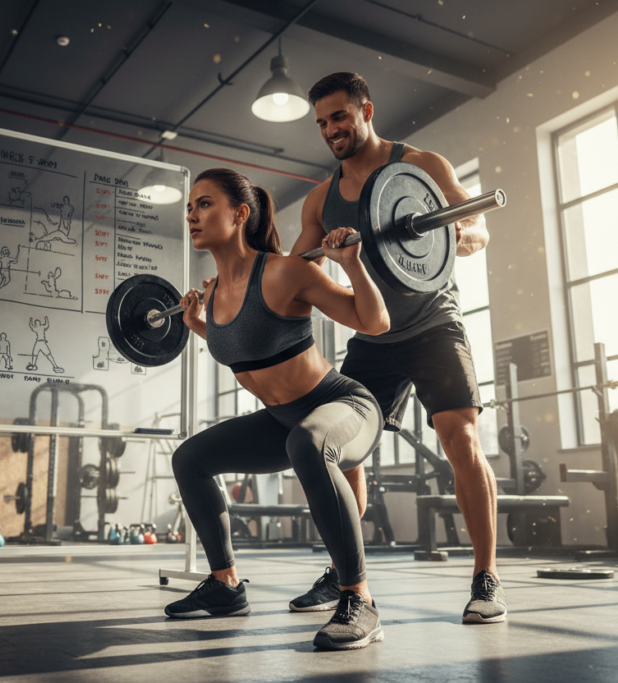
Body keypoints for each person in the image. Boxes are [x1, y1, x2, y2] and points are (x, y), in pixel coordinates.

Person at [288, 72, 504, 624]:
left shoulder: (422, 166)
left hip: (435, 323)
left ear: (366, 109)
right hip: (373, 336)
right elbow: (294, 270)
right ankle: (345, 572)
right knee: (342, 448)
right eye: (322, 123)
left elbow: (476, 226)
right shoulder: (321, 199)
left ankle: (486, 578)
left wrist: (459, 235)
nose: (331, 130)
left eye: (339, 116)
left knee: (460, 437)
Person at [165, 167, 389, 650]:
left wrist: (351, 264)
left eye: (204, 204)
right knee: (190, 458)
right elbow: (247, 346)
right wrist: (197, 324)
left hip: (343, 406)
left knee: (307, 441)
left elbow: (374, 321)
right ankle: (225, 586)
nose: (192, 215)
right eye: (189, 207)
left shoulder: (287, 270)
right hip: (284, 421)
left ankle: (360, 599)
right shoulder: (216, 292)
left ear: (240, 213)